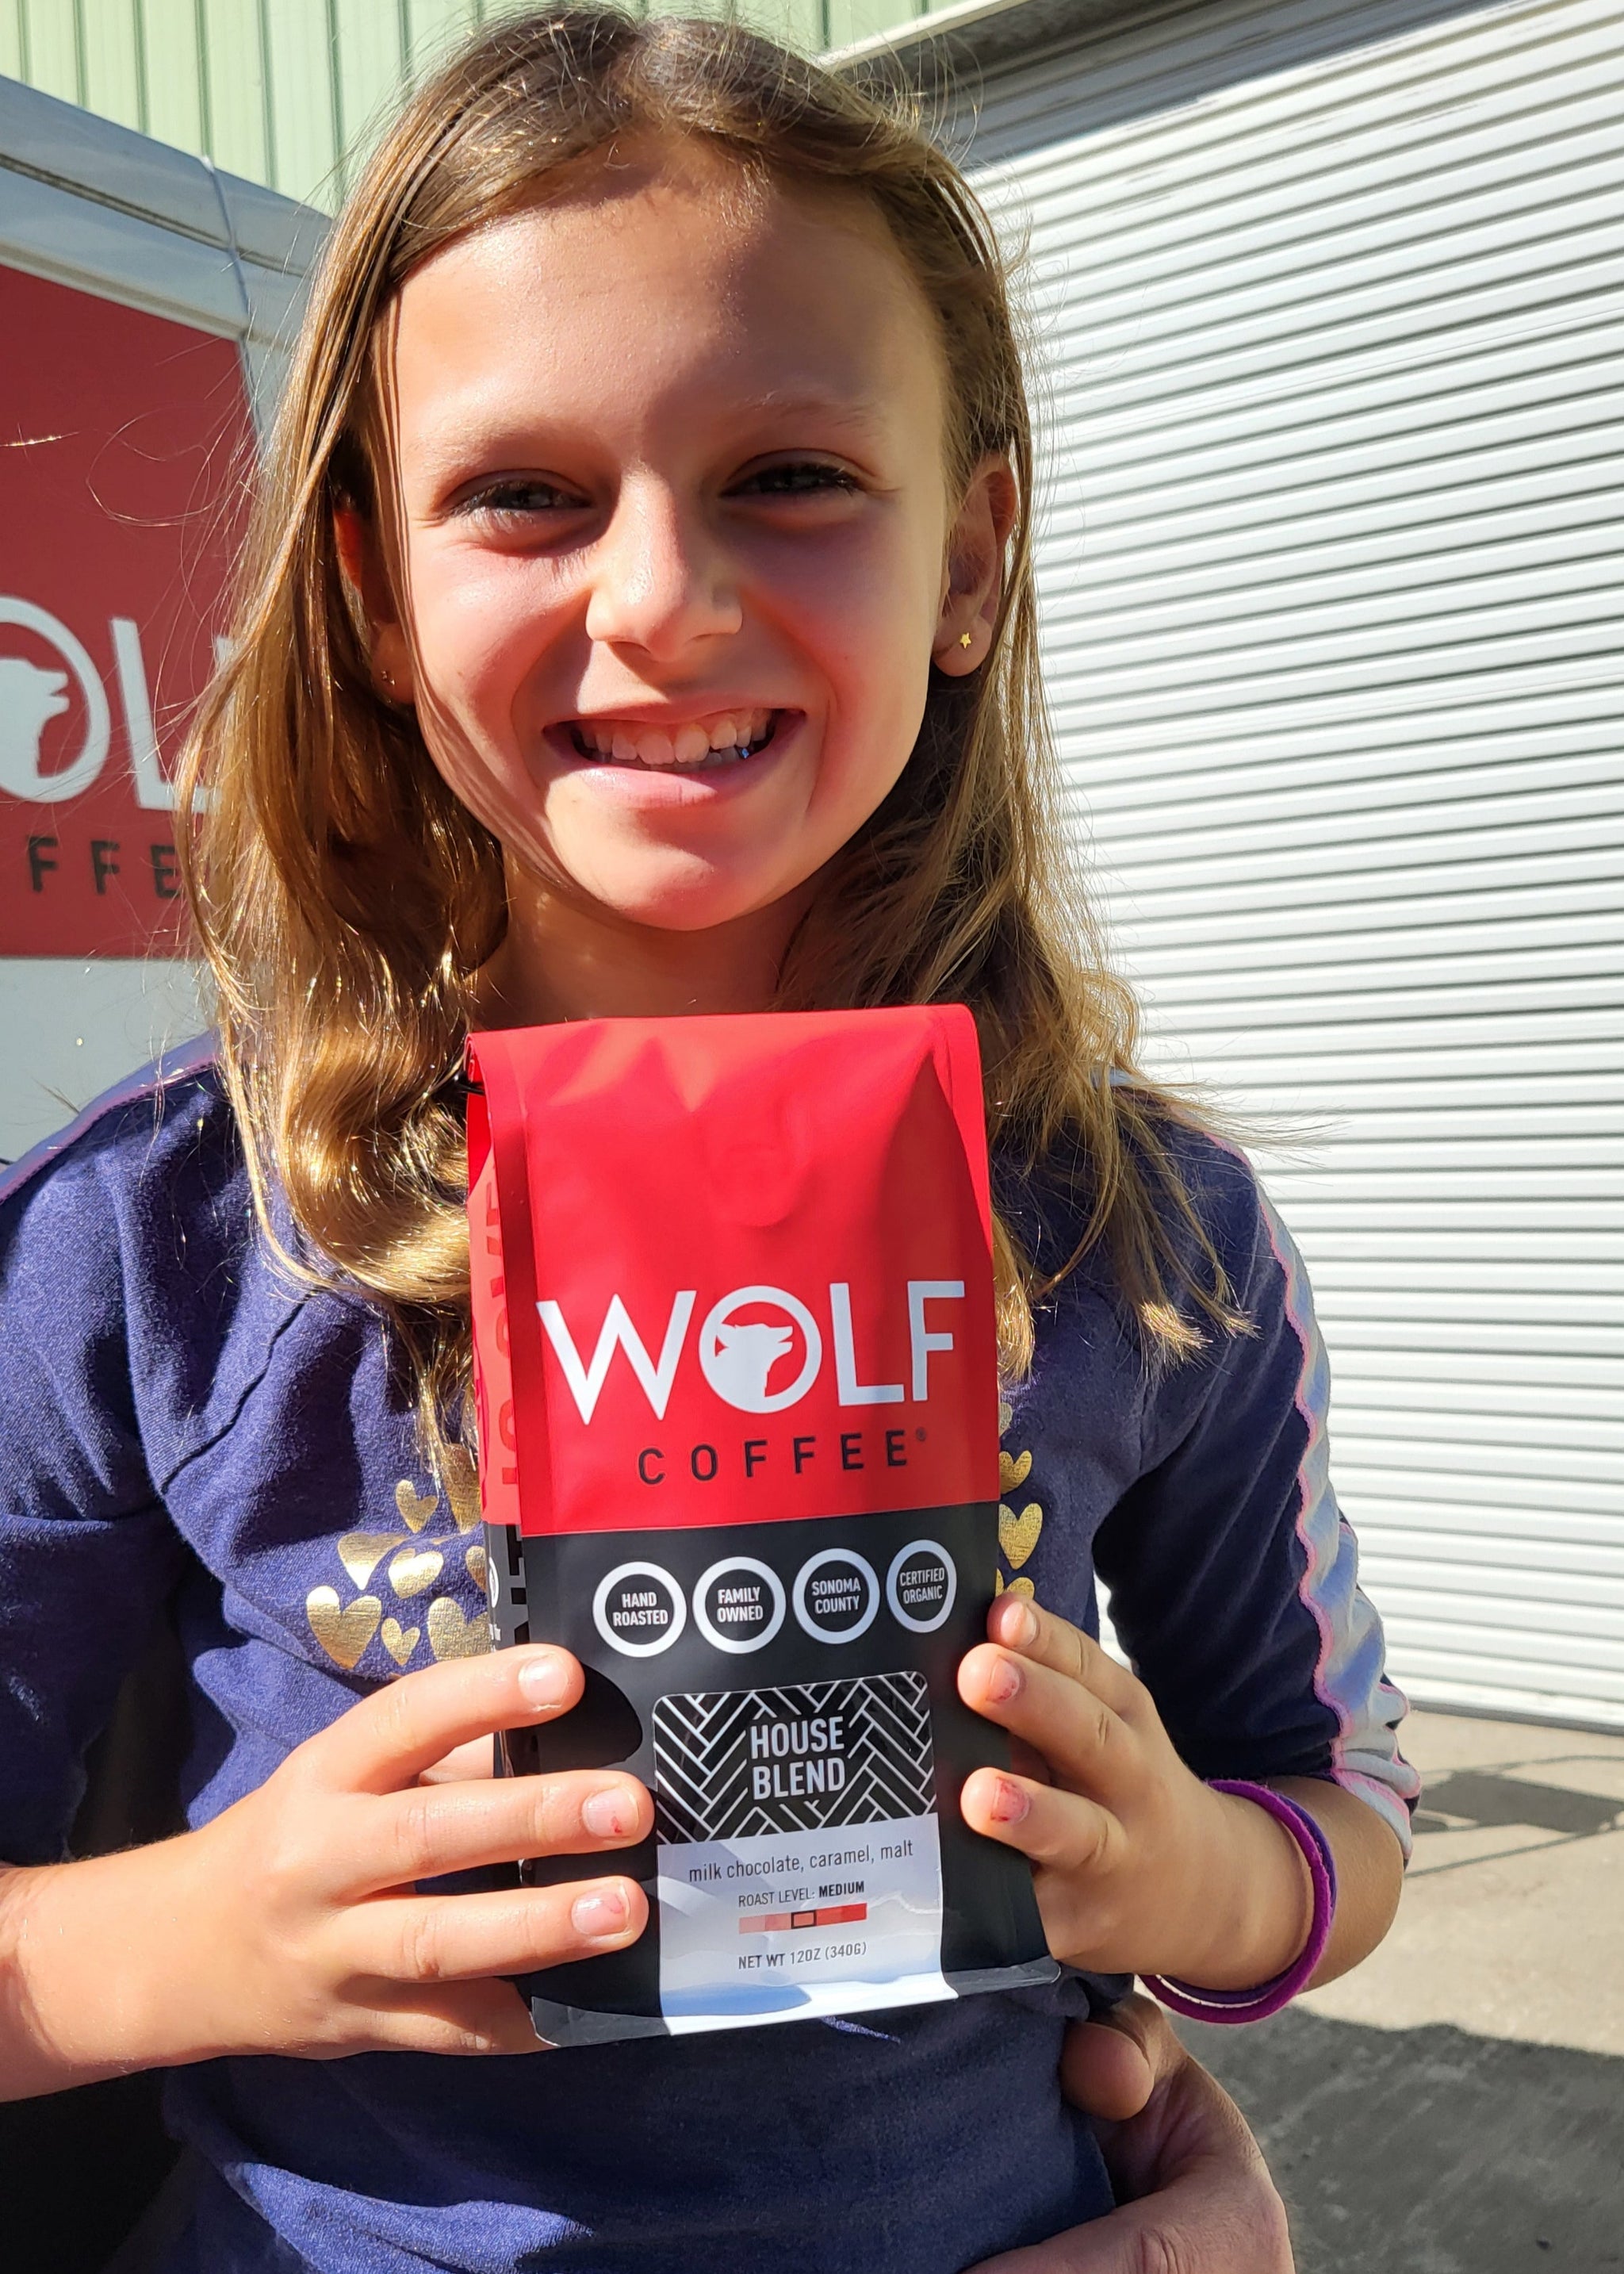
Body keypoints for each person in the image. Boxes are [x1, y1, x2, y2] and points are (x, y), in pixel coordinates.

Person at [0, 11, 1413, 2269]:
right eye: (524, 494)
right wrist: (204, 1936)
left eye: (792, 475)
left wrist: (1183, 1876)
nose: (660, 598)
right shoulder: (152, 1241)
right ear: (374, 593)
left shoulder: (1155, 1235)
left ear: (972, 557)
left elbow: (1337, 1816)